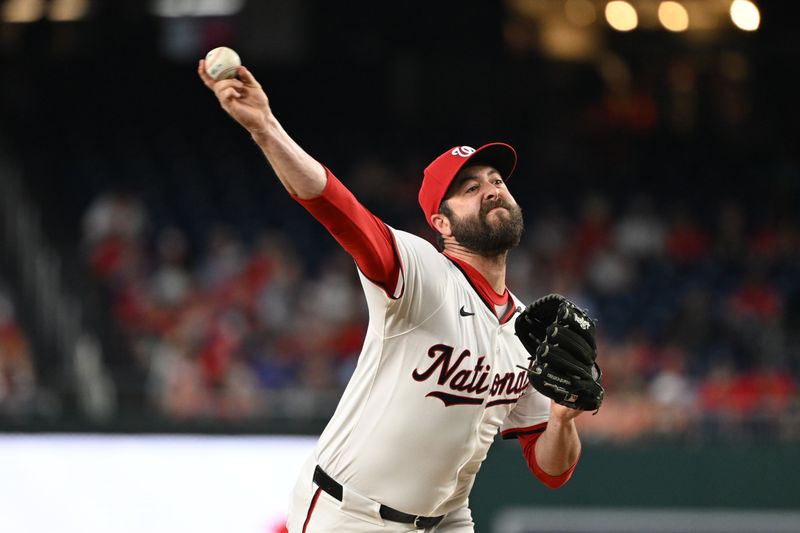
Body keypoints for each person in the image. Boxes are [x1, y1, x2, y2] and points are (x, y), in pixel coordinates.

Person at [198, 60, 590, 533]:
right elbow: (337, 207)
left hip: (447, 521)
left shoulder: (528, 330)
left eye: (497, 182)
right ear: (441, 224)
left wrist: (563, 420)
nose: (490, 190)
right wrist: (266, 128)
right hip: (351, 514)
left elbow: (552, 471)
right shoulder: (422, 271)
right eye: (470, 188)